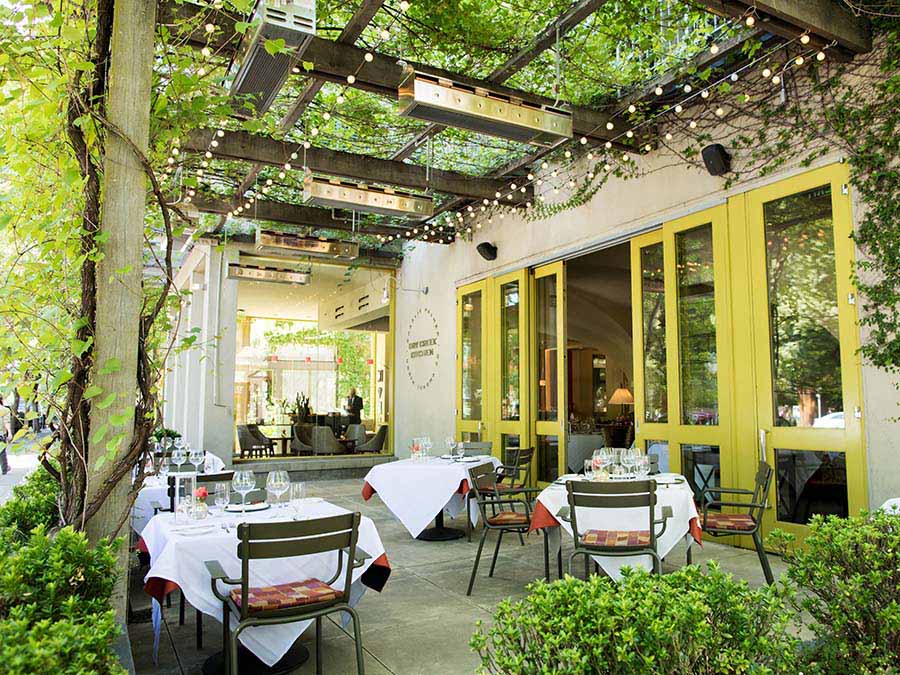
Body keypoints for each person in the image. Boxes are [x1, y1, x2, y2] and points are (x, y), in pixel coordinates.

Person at [0, 396, 11, 475]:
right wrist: (9, 433)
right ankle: (4, 469)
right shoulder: (5, 410)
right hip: (0, 434)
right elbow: (6, 422)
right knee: (2, 452)